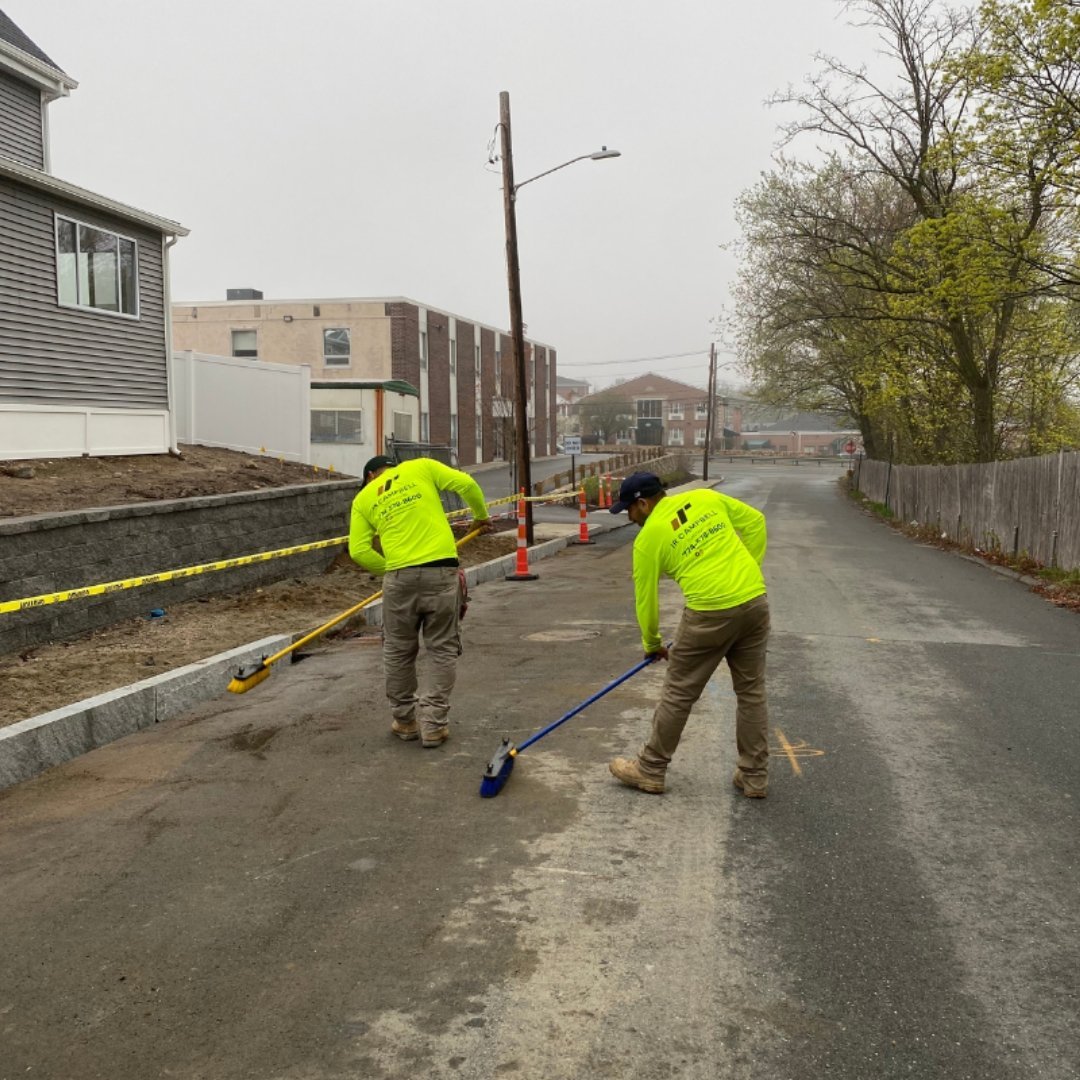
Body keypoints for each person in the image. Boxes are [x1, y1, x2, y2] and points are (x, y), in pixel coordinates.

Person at [606, 472, 771, 797]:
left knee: (679, 693)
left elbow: (646, 600)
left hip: (708, 611)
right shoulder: (706, 498)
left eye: (629, 509)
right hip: (754, 602)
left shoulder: (648, 538)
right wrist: (748, 571)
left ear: (643, 503)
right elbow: (756, 522)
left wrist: (652, 644)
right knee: (751, 692)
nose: (629, 517)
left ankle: (650, 769)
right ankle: (755, 777)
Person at [349, 455, 492, 748]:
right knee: (442, 649)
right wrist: (480, 515)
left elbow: (359, 551)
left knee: (399, 651)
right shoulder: (420, 467)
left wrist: (391, 569)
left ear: (370, 476)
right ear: (393, 467)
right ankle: (433, 726)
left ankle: (405, 721)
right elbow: (467, 484)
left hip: (399, 579)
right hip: (440, 572)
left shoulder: (363, 499)